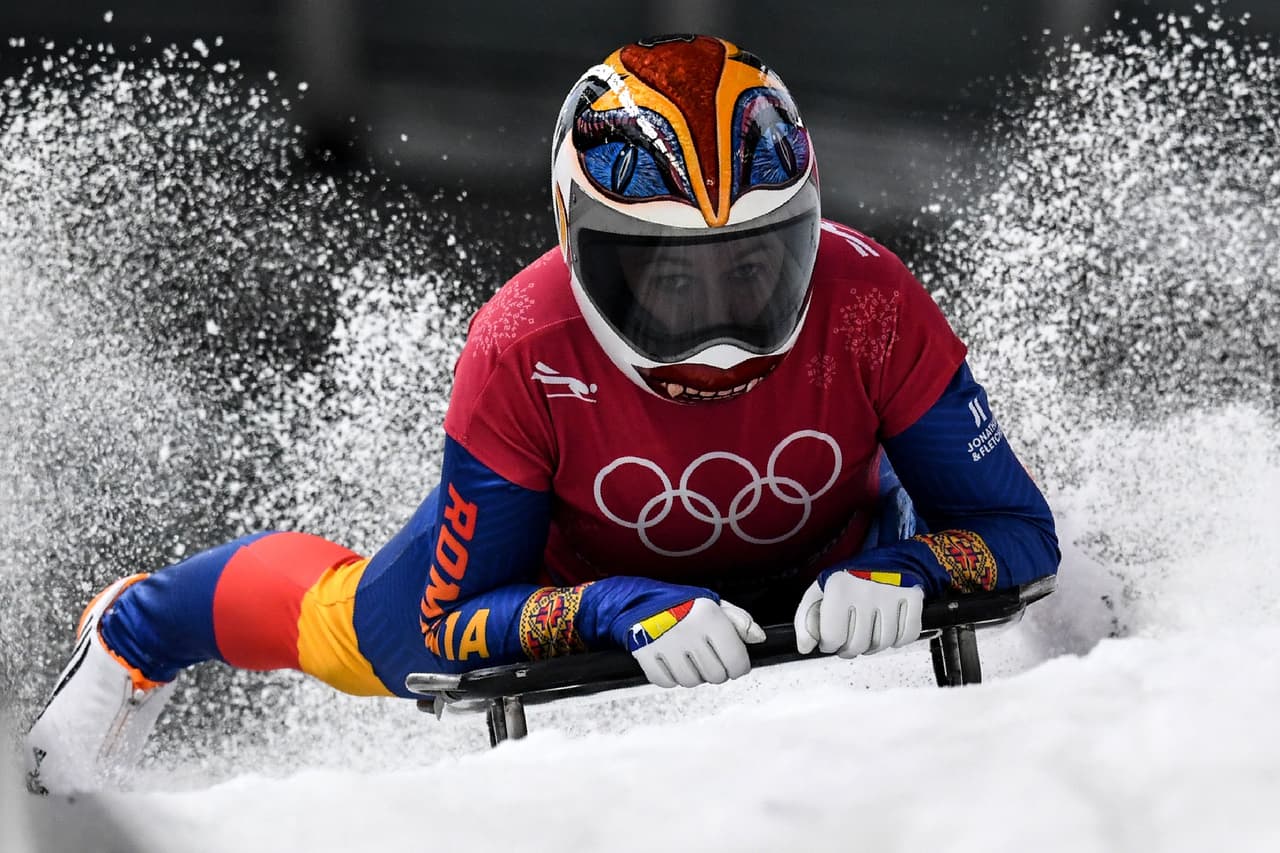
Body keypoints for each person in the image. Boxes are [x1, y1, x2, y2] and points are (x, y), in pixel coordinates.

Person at [24, 34, 1059, 795]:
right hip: (559, 571)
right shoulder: (518, 344)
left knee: (998, 540)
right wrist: (609, 607)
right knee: (353, 631)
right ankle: (136, 628)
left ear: (806, 228)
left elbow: (1020, 529)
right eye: (670, 283)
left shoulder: (873, 298)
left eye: (753, 268)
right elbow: (449, 624)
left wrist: (914, 568)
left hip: (840, 543)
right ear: (580, 246)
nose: (718, 337)